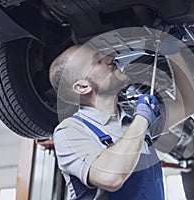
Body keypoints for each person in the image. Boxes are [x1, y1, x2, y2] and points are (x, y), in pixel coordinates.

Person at [49, 44, 165, 200]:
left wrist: (174, 51)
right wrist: (142, 118)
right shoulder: (69, 132)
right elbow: (111, 177)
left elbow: (189, 104)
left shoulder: (131, 121)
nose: (111, 58)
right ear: (83, 86)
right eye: (98, 60)